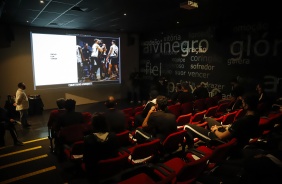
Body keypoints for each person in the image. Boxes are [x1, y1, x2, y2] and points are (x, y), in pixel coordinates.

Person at [184, 92, 261, 153]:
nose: (242, 104)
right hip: (231, 136)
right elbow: (235, 128)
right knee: (207, 119)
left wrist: (215, 130)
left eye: (243, 102)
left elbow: (222, 136)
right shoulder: (256, 117)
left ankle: (192, 149)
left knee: (187, 126)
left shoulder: (243, 121)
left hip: (222, 141)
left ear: (247, 105)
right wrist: (222, 127)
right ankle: (207, 141)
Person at [83, 112, 119, 178]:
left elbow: (85, 159)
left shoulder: (88, 139)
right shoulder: (113, 136)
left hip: (95, 171)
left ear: (93, 124)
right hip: (112, 168)